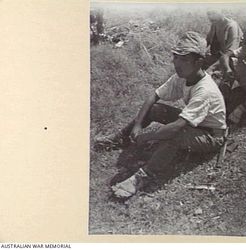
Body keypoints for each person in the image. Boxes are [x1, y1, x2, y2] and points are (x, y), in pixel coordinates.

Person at [95, 31, 227, 199]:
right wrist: (137, 125)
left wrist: (148, 136)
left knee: (176, 135)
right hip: (195, 124)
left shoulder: (205, 90)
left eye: (184, 59)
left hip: (211, 136)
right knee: (155, 109)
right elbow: (153, 96)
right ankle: (121, 138)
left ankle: (142, 177)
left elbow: (177, 127)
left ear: (199, 62)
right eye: (176, 57)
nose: (176, 63)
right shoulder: (183, 76)